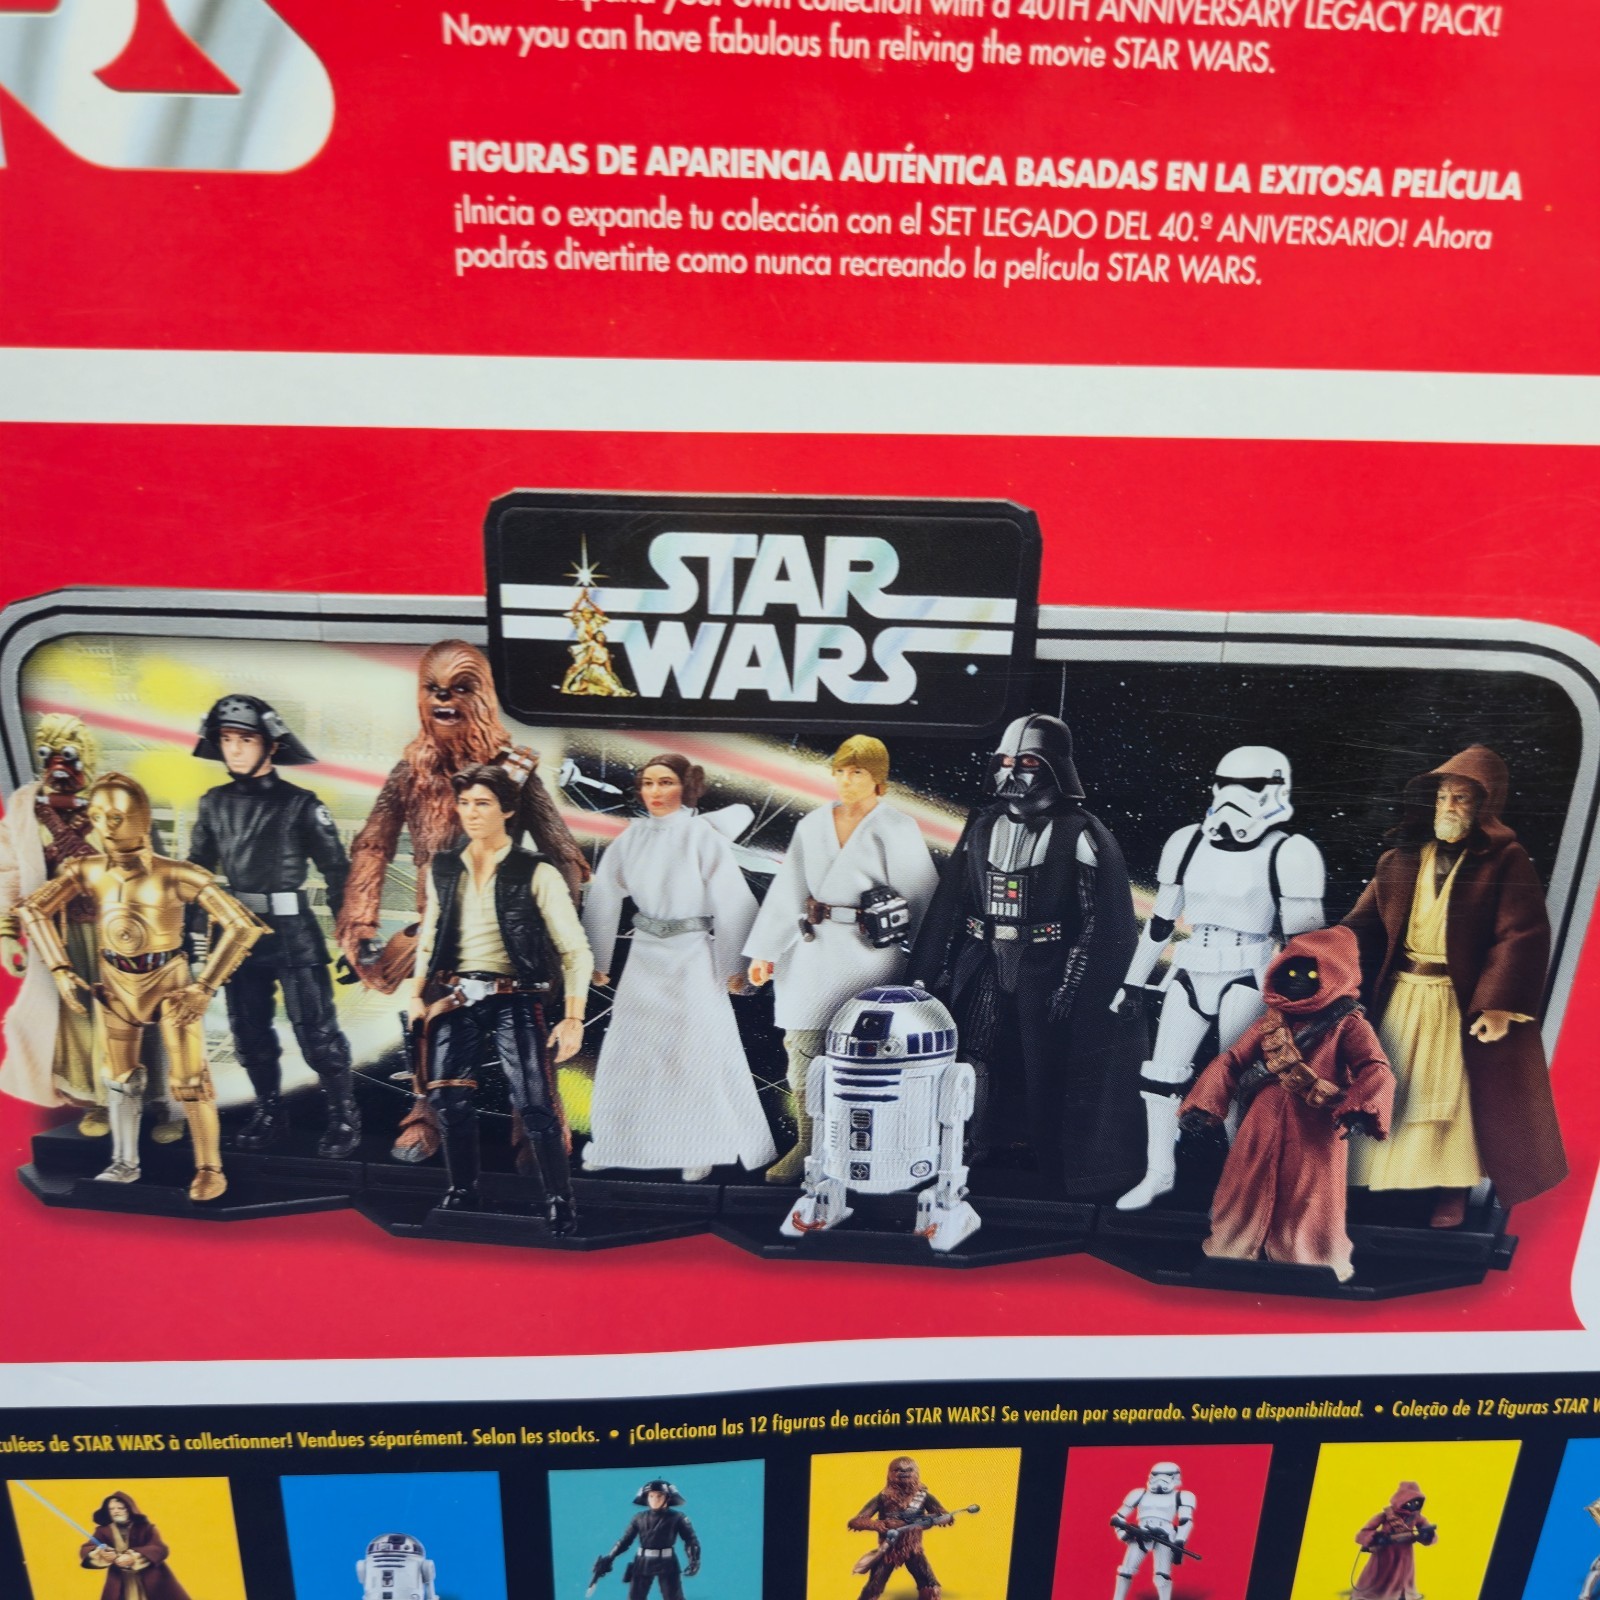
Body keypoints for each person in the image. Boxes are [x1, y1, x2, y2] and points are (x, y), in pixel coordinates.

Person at [336, 639, 587, 1161]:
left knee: (528, 1043)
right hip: (439, 928)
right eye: (434, 688)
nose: (444, 698)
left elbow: (562, 852)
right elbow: (374, 843)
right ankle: (424, 1117)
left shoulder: (514, 771)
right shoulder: (411, 770)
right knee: (428, 1028)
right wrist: (359, 919)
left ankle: (538, 1130)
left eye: (460, 688)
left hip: (511, 932)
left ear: (483, 697)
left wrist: (559, 933)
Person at [908, 713, 1143, 1192]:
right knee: (974, 1053)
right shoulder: (982, 825)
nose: (1012, 772)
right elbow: (952, 901)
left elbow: (1097, 918)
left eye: (1028, 762)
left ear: (1055, 766)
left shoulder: (1080, 833)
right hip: (984, 959)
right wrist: (931, 969)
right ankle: (971, 1145)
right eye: (1004, 761)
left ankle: (1047, 1160)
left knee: (1046, 1065)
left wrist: (1073, 982)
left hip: (1047, 965)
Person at [1343, 745, 1567, 1227]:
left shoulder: (1505, 862)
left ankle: (1451, 1190)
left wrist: (1498, 1005)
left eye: (1461, 798)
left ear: (1484, 805)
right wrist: (1320, 956)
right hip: (1401, 993)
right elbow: (1362, 925)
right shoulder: (1399, 860)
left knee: (1450, 1095)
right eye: (1443, 796)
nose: (1448, 806)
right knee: (1388, 1083)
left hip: (1456, 998)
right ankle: (1371, 1183)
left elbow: (1521, 934)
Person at [19, 773, 266, 1200]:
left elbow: (243, 925)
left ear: (141, 819)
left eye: (115, 816)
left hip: (169, 984)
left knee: (190, 1081)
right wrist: (59, 967)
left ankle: (209, 1168)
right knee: (118, 1079)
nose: (105, 827)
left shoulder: (174, 875)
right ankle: (124, 1163)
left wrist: (204, 987)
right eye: (97, 816)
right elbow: (34, 909)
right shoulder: (88, 870)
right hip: (115, 982)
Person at [1112, 746, 1325, 1210]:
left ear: (1275, 788)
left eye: (1250, 787)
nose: (1233, 797)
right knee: (1161, 1077)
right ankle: (1158, 1173)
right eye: (1224, 784)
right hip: (1190, 969)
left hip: (1248, 974)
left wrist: (1300, 1004)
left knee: (1240, 1082)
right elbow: (1161, 923)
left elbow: (1304, 942)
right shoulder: (1187, 842)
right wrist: (1133, 982)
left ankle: (1242, 1185)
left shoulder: (1290, 852)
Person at [745, 735, 938, 1183]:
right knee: (803, 1048)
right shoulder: (813, 824)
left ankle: (875, 1146)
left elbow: (923, 895)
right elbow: (789, 890)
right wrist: (765, 951)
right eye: (840, 772)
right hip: (813, 950)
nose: (846, 781)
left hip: (871, 954)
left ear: (877, 778)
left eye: (857, 773)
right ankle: (810, 1144)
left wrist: (929, 964)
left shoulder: (896, 826)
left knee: (871, 1053)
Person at [411, 764, 591, 1231]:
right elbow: (429, 935)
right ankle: (462, 1189)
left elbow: (575, 950)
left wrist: (573, 1017)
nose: (471, 812)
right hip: (456, 997)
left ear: (507, 810)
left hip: (516, 997)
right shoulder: (444, 867)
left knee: (535, 1105)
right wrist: (416, 994)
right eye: (464, 803)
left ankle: (560, 1199)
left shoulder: (536, 871)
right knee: (447, 1100)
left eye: (483, 803)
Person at [581, 754, 776, 1182]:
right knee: (628, 1049)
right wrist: (597, 958)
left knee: (693, 1050)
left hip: (692, 956)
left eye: (665, 782)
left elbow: (733, 902)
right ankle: (616, 1140)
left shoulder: (701, 837)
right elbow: (604, 894)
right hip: (644, 956)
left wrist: (735, 965)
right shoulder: (631, 837)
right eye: (648, 782)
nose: (655, 792)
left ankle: (700, 1144)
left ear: (685, 787)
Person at [188, 693, 360, 1157]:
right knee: (249, 1036)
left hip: (292, 932)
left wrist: (354, 940)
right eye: (227, 739)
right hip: (237, 935)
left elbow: (338, 873)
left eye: (245, 739)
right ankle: (269, 1112)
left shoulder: (302, 805)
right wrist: (188, 941)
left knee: (317, 1035)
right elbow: (194, 876)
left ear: (272, 745)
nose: (234, 749)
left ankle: (344, 1114)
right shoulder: (213, 804)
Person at [1179, 926, 1393, 1282]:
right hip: (1262, 1120)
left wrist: (1361, 1109)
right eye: (1291, 972)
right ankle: (1232, 1250)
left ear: (1335, 973)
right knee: (1244, 1186)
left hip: (1315, 1125)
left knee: (1310, 1196)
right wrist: (1204, 1104)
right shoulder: (1271, 1021)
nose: (1298, 981)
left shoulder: (1348, 1024)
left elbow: (1375, 1068)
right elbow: (1232, 1060)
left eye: (1312, 974)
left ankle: (1311, 1260)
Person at [0, 713, 107, 1131]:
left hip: (111, 928)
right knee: (72, 1016)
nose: (58, 766)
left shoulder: (110, 801)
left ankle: (141, 1099)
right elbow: (9, 871)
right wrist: (7, 932)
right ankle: (95, 1099)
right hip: (54, 931)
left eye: (68, 755)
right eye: (48, 755)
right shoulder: (26, 810)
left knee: (123, 1015)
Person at [848, 1456, 954, 1600]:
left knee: (930, 1587)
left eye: (908, 1470)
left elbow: (946, 1516)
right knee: (873, 1587)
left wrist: (930, 1520)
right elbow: (856, 1521)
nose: (903, 1473)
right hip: (888, 1549)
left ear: (915, 1473)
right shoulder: (883, 1497)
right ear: (890, 1473)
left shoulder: (924, 1497)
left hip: (913, 1550)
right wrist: (877, 1525)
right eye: (898, 1470)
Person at [589, 1480, 701, 1599]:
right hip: (642, 1562)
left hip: (667, 1562)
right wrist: (610, 1557)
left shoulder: (678, 1517)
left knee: (673, 1597)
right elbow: (625, 1540)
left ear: (668, 1498)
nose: (654, 1499)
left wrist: (694, 1560)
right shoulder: (639, 1518)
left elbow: (691, 1540)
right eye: (651, 1496)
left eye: (659, 1496)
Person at [80, 1491, 193, 1600]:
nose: (116, 1512)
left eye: (120, 1508)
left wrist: (133, 1557)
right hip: (119, 1581)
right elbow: (86, 1548)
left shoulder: (146, 1528)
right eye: (112, 1509)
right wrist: (101, 1554)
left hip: (150, 1579)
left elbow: (159, 1548)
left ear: (130, 1509)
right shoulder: (103, 1531)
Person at [1110, 1461, 1195, 1600]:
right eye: (1156, 1475)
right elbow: (1117, 1517)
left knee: (1162, 1576)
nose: (1160, 1480)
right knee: (1125, 1571)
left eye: (1166, 1476)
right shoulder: (1139, 1493)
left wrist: (1179, 1541)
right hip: (1140, 1535)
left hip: (1165, 1536)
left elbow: (1185, 1521)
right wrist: (1125, 1534)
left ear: (1175, 1477)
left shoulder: (1182, 1496)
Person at [1347, 1483, 1435, 1600]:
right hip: (1385, 1551)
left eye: (1416, 1502)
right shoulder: (1386, 1515)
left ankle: (1400, 1595)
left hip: (1404, 1553)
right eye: (1410, 1501)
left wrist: (1427, 1535)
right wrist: (1376, 1538)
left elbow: (1427, 1530)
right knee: (1377, 1576)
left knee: (1402, 1576)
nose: (1413, 1505)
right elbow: (1365, 1531)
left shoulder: (1416, 1517)